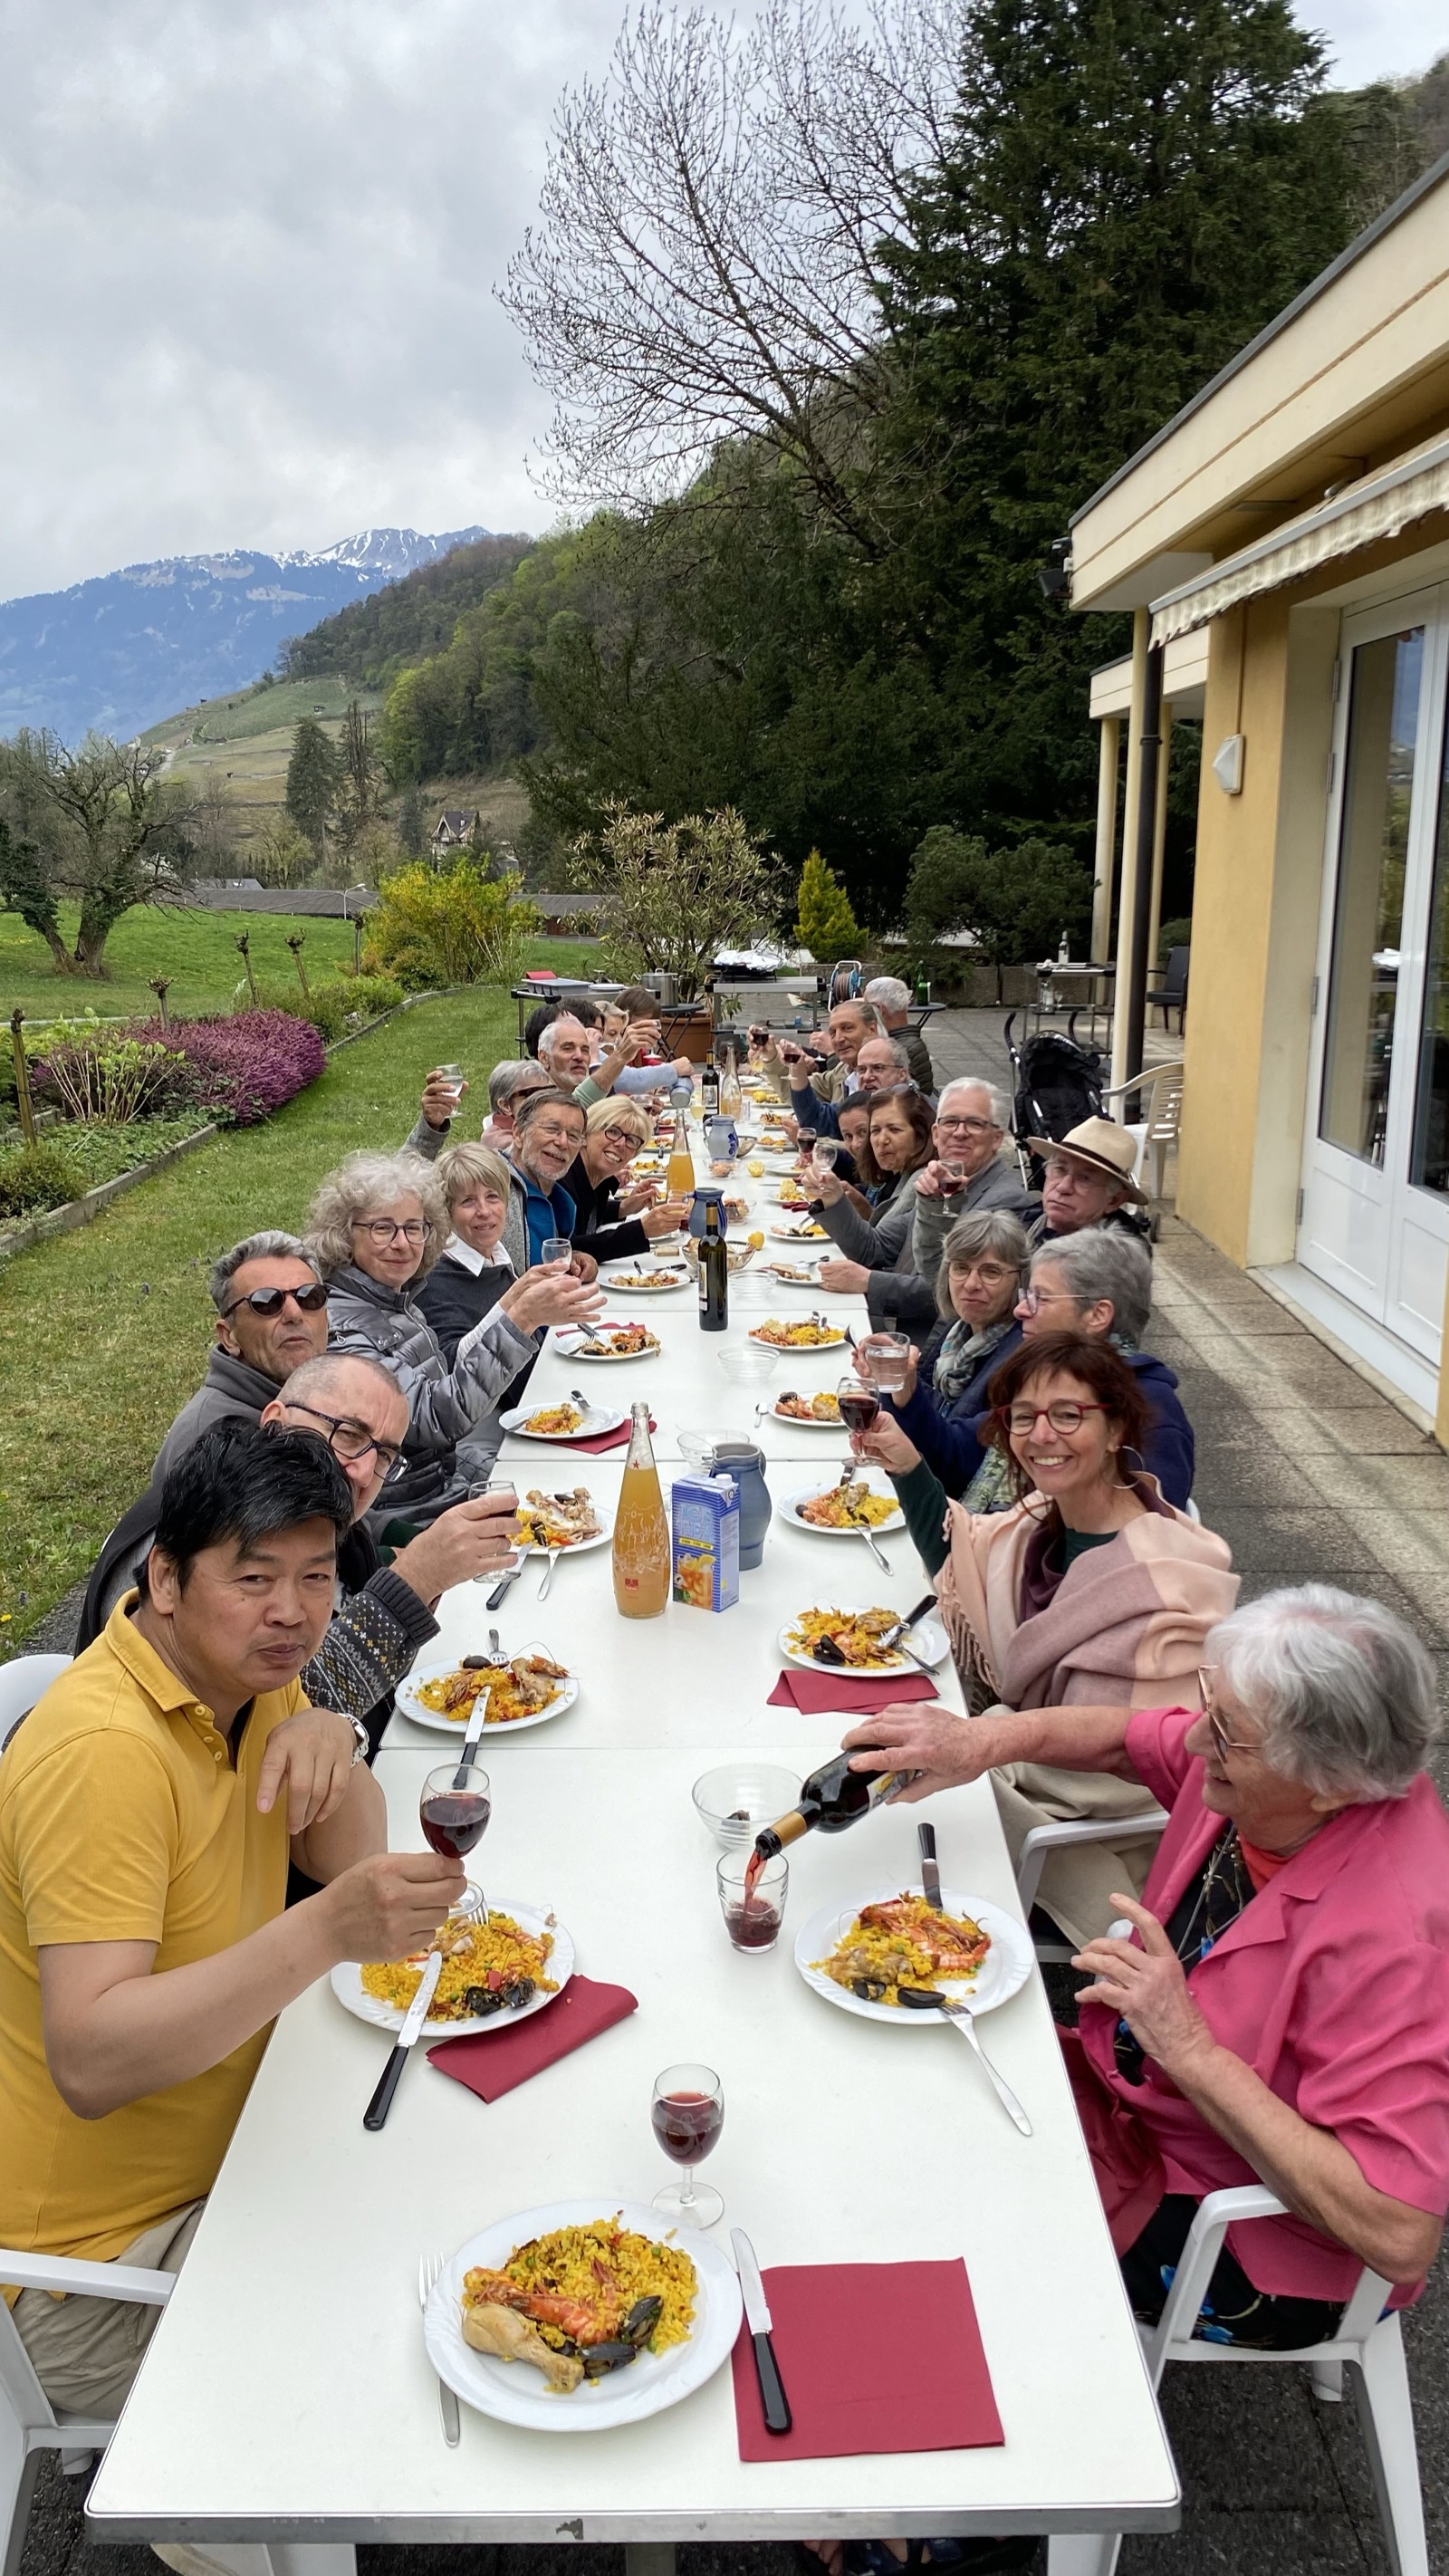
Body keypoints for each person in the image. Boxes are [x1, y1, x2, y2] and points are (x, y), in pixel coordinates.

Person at [0, 1422, 465, 2419]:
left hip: (249, 2136)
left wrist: (328, 1729)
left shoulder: (243, 1679)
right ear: (163, 1579)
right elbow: (89, 2059)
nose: (290, 1614)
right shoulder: (103, 1753)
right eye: (253, 1579)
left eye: (314, 1579)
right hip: (84, 2267)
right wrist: (322, 1932)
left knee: (461, 2195)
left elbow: (349, 1863)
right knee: (398, 2346)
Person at [843, 1585, 1449, 2341]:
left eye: (1225, 1736)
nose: (1197, 1746)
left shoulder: (1395, 1939)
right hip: (1135, 2098)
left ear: (1329, 1788)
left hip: (1250, 2237)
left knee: (961, 2204)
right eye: (1209, 1708)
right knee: (904, 2084)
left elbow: (1398, 2232)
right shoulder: (1277, 1771)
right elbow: (1123, 1739)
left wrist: (1189, 2047)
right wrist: (982, 1744)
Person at [851, 1331, 1235, 1943]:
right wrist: (905, 1463)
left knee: (881, 1818)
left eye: (1067, 1415)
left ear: (1115, 1431)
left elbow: (1133, 1758)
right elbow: (960, 1560)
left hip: (1088, 1818)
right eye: (1023, 1417)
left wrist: (981, 1741)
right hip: (1012, 1759)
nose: (1040, 1435)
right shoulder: (1037, 1522)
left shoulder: (1167, 1581)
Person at [80, 1350, 520, 1752]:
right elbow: (278, 1733)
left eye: (384, 1455)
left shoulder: (323, 1527)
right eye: (348, 1434)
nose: (364, 1471)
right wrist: (411, 1585)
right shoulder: (192, 1526)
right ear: (274, 1421)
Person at [310, 1146, 599, 1517]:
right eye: (383, 1228)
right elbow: (436, 1419)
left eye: (413, 1228)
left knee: (574, 1488)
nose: (402, 1243)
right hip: (404, 1513)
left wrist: (517, 1300)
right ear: (344, 1234)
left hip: (443, 1480)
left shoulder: (397, 1300)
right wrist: (521, 1319)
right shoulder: (346, 1327)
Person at [871, 1226, 1194, 1512]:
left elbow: (1147, 1548)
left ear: (1097, 1315)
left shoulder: (1150, 1412)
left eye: (1040, 1298)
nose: (1021, 1309)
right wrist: (905, 1387)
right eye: (1027, 1295)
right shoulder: (1045, 1380)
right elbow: (957, 1453)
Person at [819, 1081, 1033, 1325]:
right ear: (936, 1134)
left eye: (974, 1124)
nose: (959, 1133)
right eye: (950, 1122)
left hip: (922, 1338)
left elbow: (952, 1293)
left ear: (996, 1139)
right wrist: (832, 1199)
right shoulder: (938, 1184)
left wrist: (869, 1282)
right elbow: (874, 1248)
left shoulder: (1005, 1201)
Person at [153, 1233, 331, 1479]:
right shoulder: (212, 1444)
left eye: (309, 1297)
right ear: (229, 1336)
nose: (294, 1313)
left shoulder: (336, 1392)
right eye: (267, 1302)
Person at [809, 1086, 936, 1288]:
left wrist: (834, 1199)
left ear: (920, 1136)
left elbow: (872, 1250)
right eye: (876, 1130)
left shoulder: (922, 1183)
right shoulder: (900, 1174)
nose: (881, 1140)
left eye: (894, 1129)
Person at [562, 1098, 693, 1264]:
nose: (621, 1144)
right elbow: (569, 1251)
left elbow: (589, 1215)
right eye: (613, 1132)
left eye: (632, 1140)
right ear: (585, 1134)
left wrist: (623, 1208)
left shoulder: (594, 1177)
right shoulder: (564, 1183)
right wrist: (641, 1230)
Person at [1032, 1116, 1152, 1248]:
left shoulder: (1118, 1263)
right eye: (1060, 1169)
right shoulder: (1021, 1225)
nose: (1063, 1187)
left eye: (1084, 1178)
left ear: (1114, 1200)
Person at [864, 974, 934, 1090]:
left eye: (866, 1007)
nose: (865, 1013)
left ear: (879, 1009)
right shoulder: (909, 1042)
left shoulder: (900, 1049)